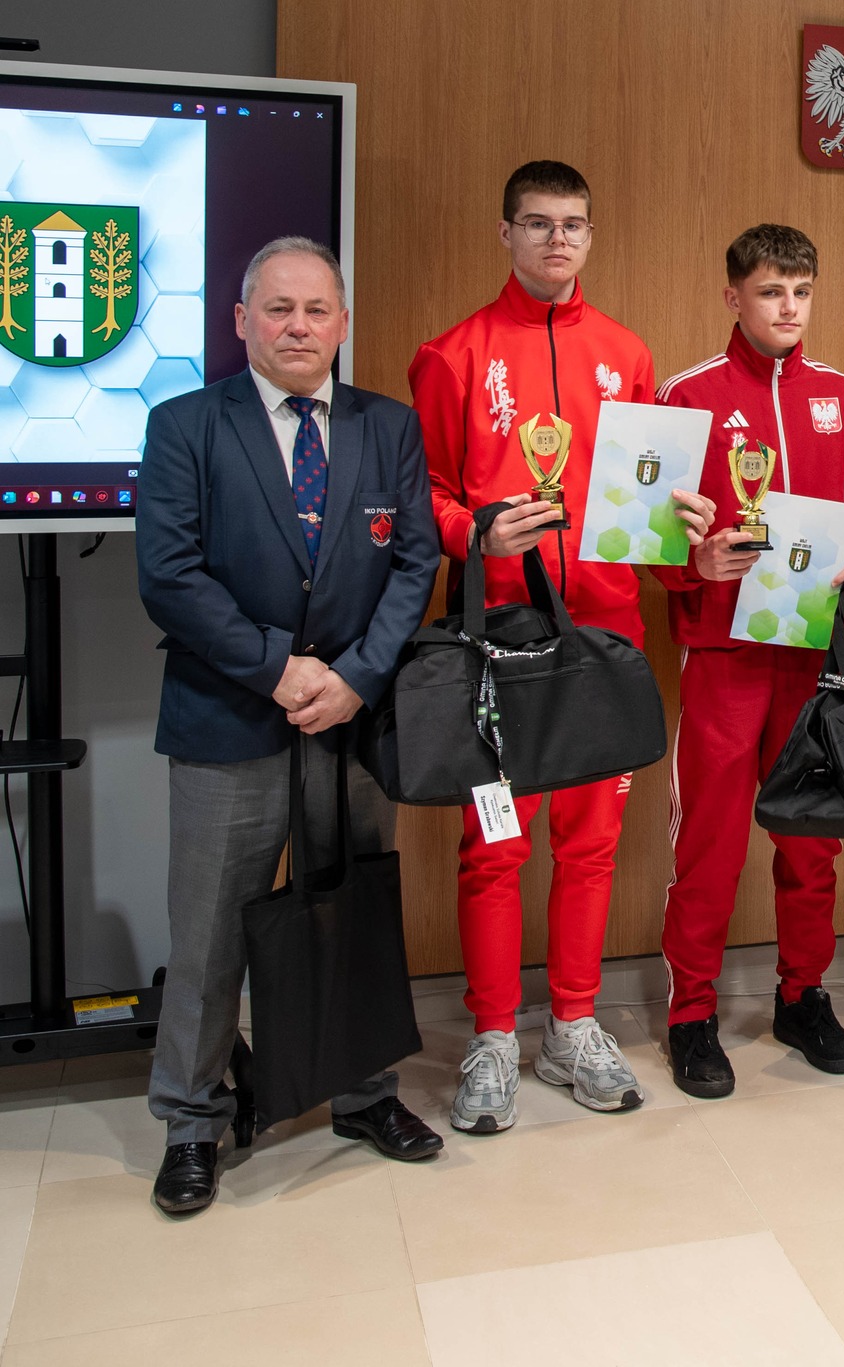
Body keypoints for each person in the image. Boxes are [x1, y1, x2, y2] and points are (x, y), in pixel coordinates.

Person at [137, 238, 444, 1214]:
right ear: (242, 321)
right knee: (208, 933)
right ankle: (193, 1120)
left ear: (343, 322)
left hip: (351, 724)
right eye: (278, 308)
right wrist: (279, 667)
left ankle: (363, 1090)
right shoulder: (185, 425)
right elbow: (169, 575)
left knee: (352, 911)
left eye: (317, 309)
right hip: (229, 717)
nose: (299, 326)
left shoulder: (387, 426)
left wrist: (356, 676)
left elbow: (415, 562)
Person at [408, 160, 711, 1132]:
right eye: (537, 224)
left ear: (590, 234)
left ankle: (572, 1023)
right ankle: (494, 1035)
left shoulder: (626, 353)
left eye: (572, 224)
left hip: (602, 634)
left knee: (590, 844)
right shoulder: (453, 355)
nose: (556, 240)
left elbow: (646, 503)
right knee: (494, 845)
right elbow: (424, 496)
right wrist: (474, 532)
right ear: (505, 233)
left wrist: (684, 531)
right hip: (499, 640)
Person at [652, 224, 844, 1098]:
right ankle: (691, 1012)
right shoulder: (686, 395)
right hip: (725, 655)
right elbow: (649, 535)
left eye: (801, 291)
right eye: (770, 292)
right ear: (733, 297)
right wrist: (694, 563)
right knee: (710, 845)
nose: (789, 308)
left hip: (812, 653)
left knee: (810, 841)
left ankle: (803, 995)